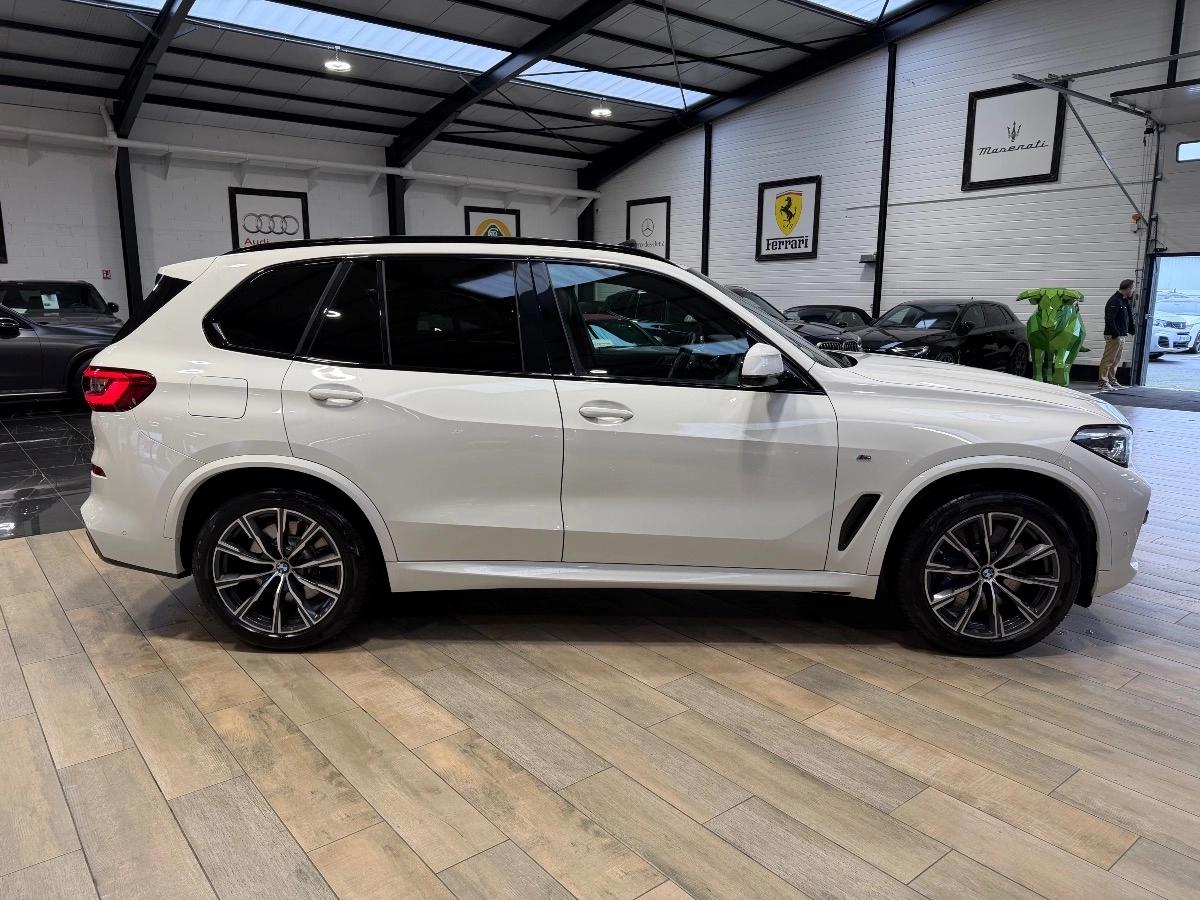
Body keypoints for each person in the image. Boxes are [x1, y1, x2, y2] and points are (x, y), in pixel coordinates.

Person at [1100, 278, 1135, 391]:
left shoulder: (1123, 301)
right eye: (1132, 289)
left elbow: (1127, 317)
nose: (1132, 291)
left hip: (1121, 335)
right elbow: (1109, 319)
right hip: (1114, 335)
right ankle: (1103, 382)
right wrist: (1116, 334)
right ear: (1128, 288)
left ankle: (1112, 380)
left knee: (1115, 361)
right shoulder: (1114, 301)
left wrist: (1129, 330)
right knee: (1108, 359)